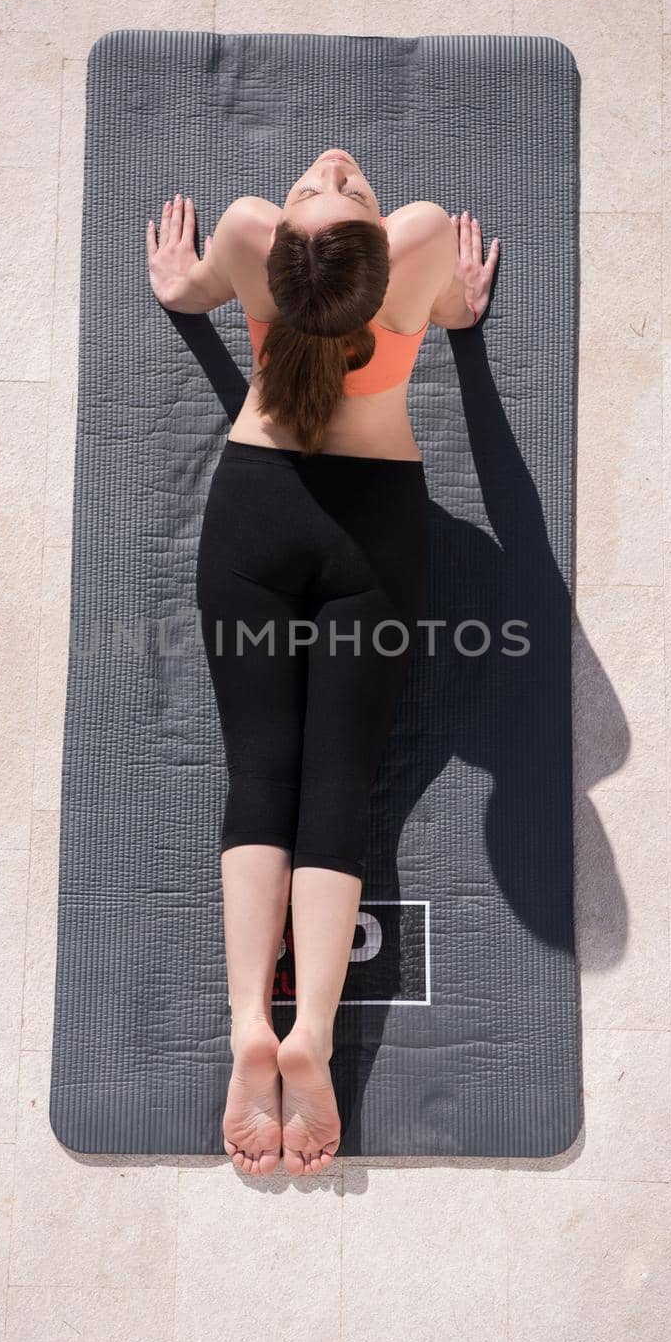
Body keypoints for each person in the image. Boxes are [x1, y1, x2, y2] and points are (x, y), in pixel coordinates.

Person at [145, 149, 499, 1176]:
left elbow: (195, 289)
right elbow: (462, 318)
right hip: (374, 531)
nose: (336, 167)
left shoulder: (254, 232)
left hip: (255, 515)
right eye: (335, 187)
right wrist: (460, 305)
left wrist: (182, 285)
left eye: (325, 185)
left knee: (262, 775)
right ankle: (312, 1040)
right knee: (341, 786)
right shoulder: (423, 238)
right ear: (375, 261)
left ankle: (252, 1020)